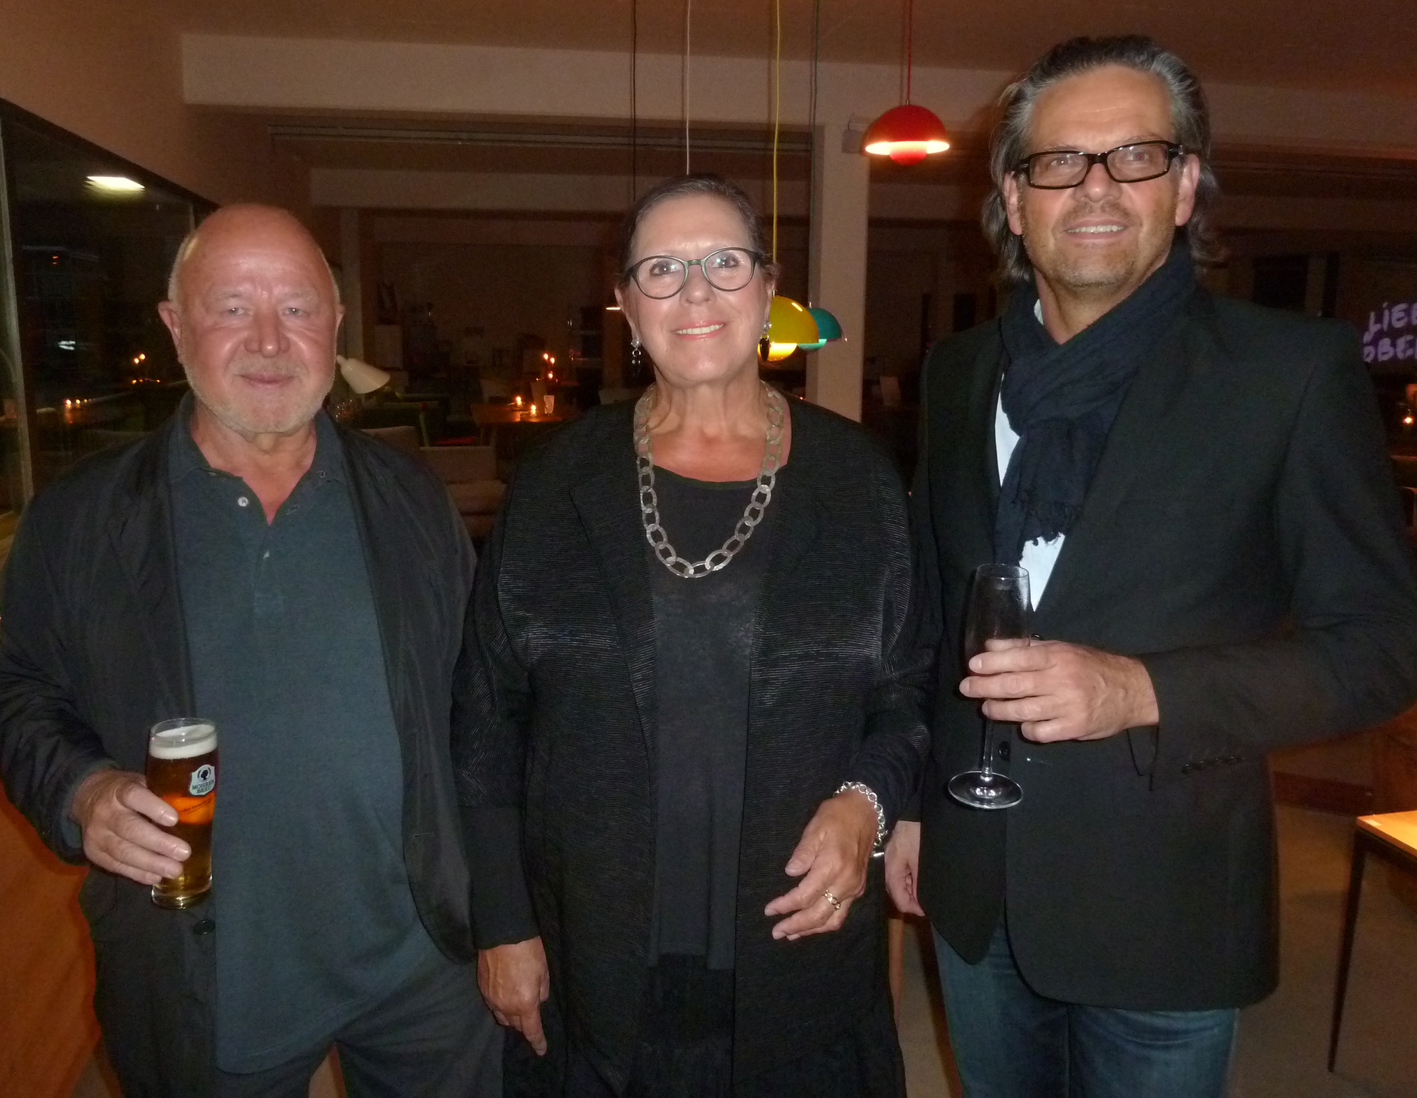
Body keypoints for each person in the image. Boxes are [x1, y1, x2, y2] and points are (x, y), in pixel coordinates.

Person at [886, 35, 1417, 1098]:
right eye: (1058, 161)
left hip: (1163, 899)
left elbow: (1382, 648)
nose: (1094, 187)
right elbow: (936, 614)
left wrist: (1138, 690)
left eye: (1133, 156)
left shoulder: (1286, 374)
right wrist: (912, 801)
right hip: (975, 882)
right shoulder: (957, 373)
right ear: (1013, 199)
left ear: (1182, 188)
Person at [0, 204, 500, 1097]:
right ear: (174, 324)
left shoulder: (411, 499)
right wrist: (80, 788)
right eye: (231, 307)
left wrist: (509, 914)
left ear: (334, 326)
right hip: (209, 971)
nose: (269, 339)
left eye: (297, 308)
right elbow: (15, 686)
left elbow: (483, 706)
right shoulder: (82, 519)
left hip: (422, 962)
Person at [454, 173, 931, 1096]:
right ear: (627, 306)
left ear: (767, 289)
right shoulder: (555, 481)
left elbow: (907, 686)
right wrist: (503, 922)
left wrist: (867, 803)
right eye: (662, 270)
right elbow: (486, 713)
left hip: (798, 942)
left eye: (724, 263)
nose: (697, 292)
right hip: (593, 942)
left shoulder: (858, 479)